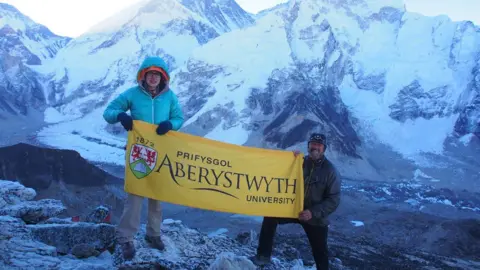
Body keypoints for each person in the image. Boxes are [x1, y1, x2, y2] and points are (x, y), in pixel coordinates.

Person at [102, 56, 184, 260]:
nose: (154, 77)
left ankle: (153, 234)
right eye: (150, 74)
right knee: (135, 195)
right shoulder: (132, 94)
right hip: (138, 151)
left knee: (157, 195)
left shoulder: (170, 97)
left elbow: (178, 118)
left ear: (163, 76)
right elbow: (109, 111)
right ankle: (126, 238)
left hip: (162, 151)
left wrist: (171, 125)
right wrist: (121, 116)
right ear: (143, 75)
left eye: (157, 74)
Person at [251, 133, 341, 270]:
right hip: (293, 210)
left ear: (324, 148)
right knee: (270, 216)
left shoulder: (330, 171)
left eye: (319, 145)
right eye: (313, 144)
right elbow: (281, 173)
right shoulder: (300, 162)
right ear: (308, 145)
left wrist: (312, 212)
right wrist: (289, 159)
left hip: (314, 216)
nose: (315, 147)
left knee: (320, 250)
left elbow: (333, 199)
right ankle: (263, 256)